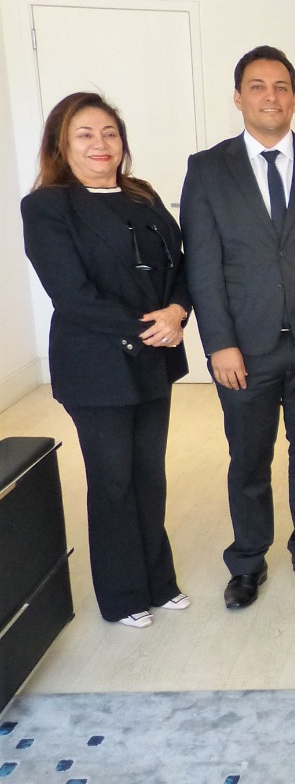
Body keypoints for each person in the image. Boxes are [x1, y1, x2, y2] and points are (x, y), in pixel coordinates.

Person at [181, 46, 295, 609]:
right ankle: (247, 560)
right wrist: (219, 344)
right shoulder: (207, 169)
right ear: (238, 98)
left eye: (281, 86)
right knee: (249, 460)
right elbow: (202, 267)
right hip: (245, 350)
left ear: (294, 97)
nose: (271, 96)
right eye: (258, 86)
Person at [21, 92, 190, 628]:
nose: (101, 144)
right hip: (95, 366)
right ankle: (123, 596)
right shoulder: (46, 207)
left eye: (110, 132)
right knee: (113, 480)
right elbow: (72, 295)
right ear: (61, 145)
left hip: (155, 357)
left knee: (150, 475)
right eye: (85, 134)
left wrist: (178, 311)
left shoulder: (142, 195)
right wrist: (153, 326)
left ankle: (159, 582)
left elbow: (182, 263)